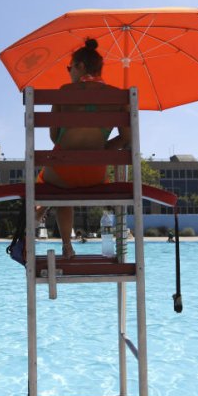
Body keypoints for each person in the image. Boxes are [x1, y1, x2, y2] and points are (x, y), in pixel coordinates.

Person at [34, 38, 131, 260]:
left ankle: (66, 244)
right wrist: (102, 149)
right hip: (95, 175)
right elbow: (127, 139)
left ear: (80, 66)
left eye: (70, 67)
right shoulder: (119, 96)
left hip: (61, 175)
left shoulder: (63, 92)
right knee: (64, 183)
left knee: (57, 190)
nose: (69, 72)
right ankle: (45, 209)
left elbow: (53, 136)